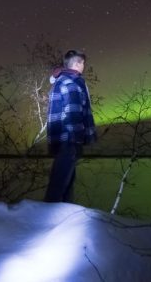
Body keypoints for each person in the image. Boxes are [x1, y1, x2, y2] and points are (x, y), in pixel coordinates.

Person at [44, 49, 97, 203]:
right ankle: (50, 214)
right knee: (60, 183)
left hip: (64, 138)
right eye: (83, 63)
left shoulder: (63, 81)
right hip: (69, 139)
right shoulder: (70, 83)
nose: (84, 66)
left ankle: (64, 216)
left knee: (65, 181)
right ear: (77, 63)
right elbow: (72, 112)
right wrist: (78, 137)